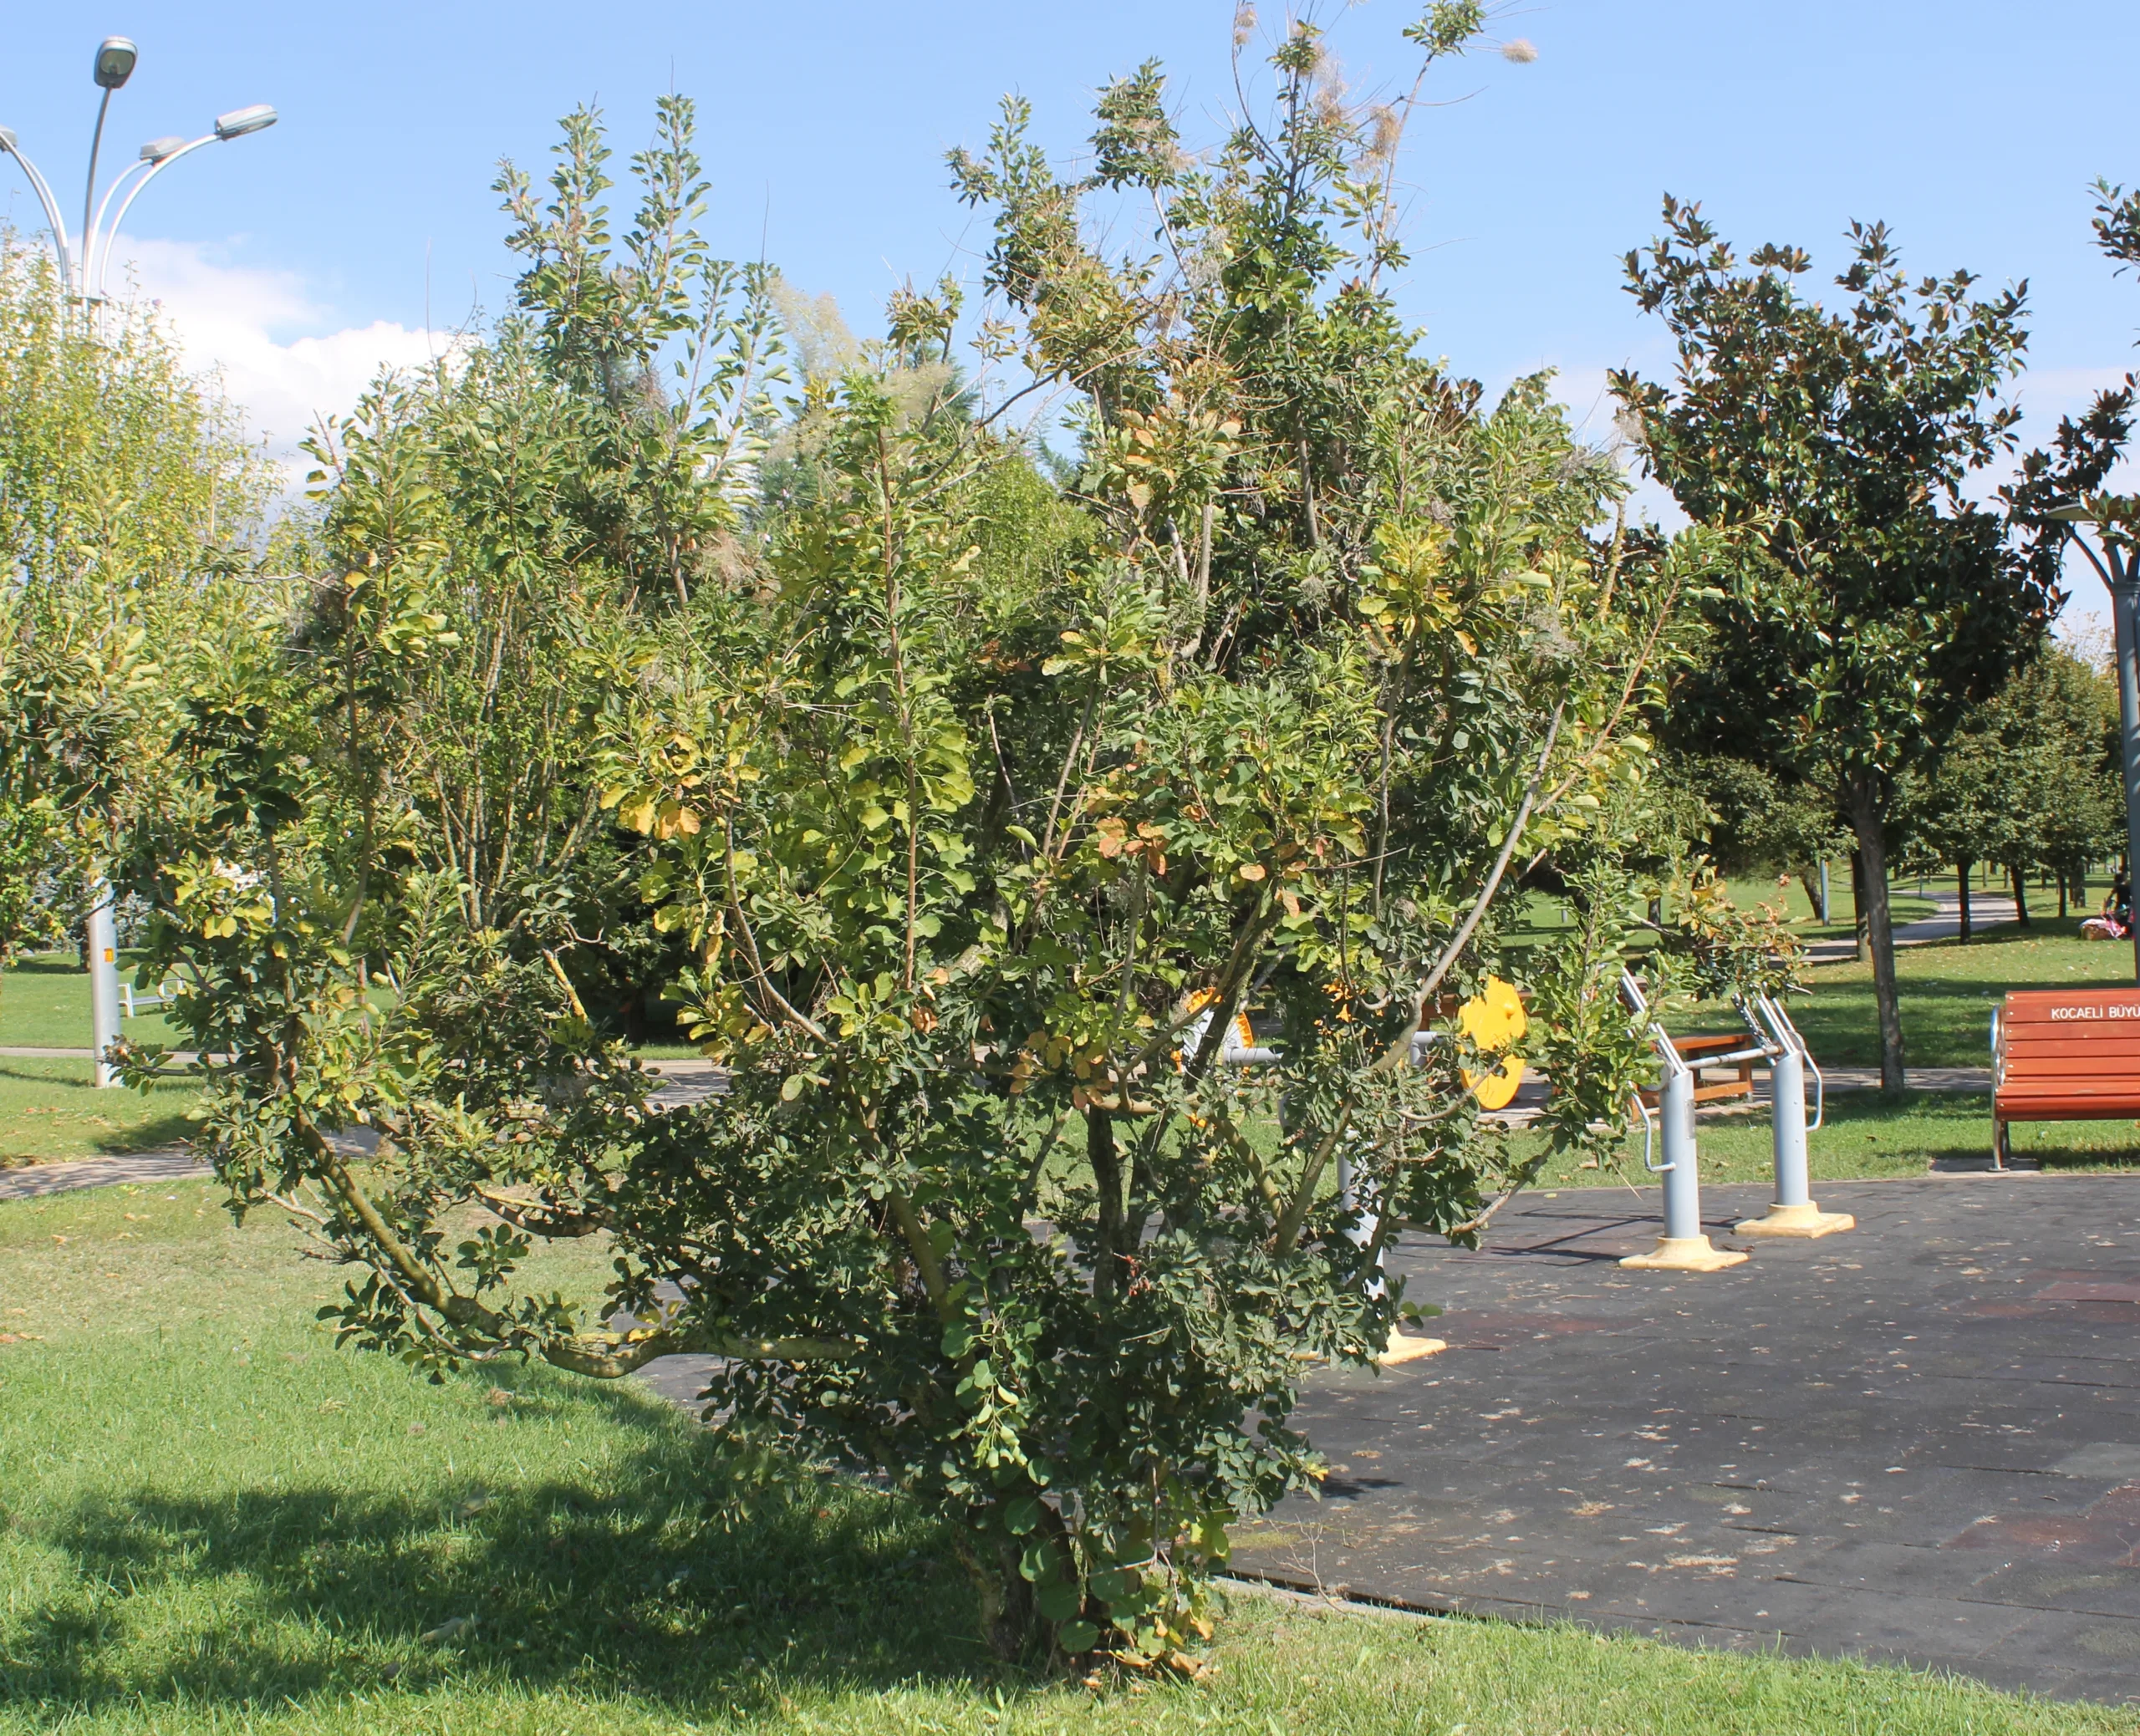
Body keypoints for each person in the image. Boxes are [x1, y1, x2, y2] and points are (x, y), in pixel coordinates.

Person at [2082, 873, 2132, 942]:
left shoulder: (2117, 887)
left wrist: (2108, 903)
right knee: (2126, 919)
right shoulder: (2128, 887)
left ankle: (2120, 931)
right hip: (2127, 906)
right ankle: (2126, 932)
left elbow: (2111, 896)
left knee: (2117, 919)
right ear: (2125, 880)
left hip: (2119, 905)